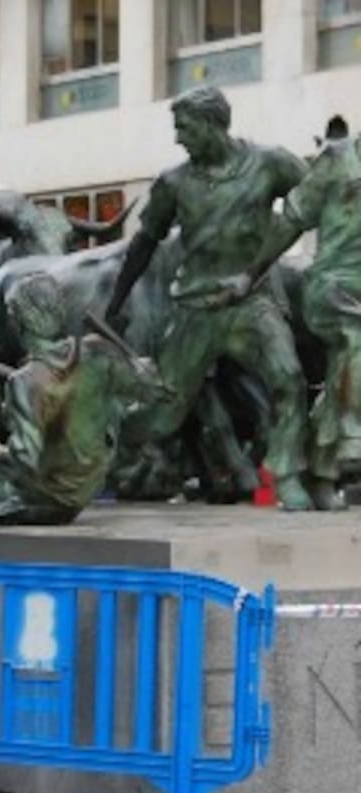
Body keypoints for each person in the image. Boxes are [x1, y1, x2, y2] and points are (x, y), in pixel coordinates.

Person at [102, 85, 317, 510]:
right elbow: (144, 243)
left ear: (214, 124)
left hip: (252, 303)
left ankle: (289, 475)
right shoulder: (173, 183)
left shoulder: (270, 164)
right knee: (161, 416)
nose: (178, 137)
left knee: (288, 378)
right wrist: (114, 305)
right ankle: (92, 441)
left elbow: (314, 199)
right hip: (194, 309)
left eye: (185, 128)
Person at [214, 117, 361, 509]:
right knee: (356, 338)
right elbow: (290, 222)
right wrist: (249, 274)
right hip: (334, 285)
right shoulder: (338, 160)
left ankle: (321, 470)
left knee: (339, 377)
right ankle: (349, 437)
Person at [0, 274, 169, 526]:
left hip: (52, 498)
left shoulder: (24, 382)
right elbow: (152, 392)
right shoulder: (96, 352)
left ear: (19, 322)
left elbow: (24, 464)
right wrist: (146, 373)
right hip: (92, 484)